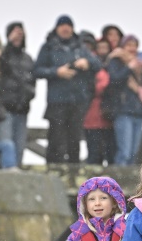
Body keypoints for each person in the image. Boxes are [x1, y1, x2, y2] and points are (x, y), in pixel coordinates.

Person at [33, 15, 101, 163]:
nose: (65, 28)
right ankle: (53, 170)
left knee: (74, 139)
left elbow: (97, 65)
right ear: (56, 28)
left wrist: (87, 62)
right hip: (56, 101)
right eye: (62, 25)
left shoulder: (81, 47)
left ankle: (73, 172)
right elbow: (37, 70)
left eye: (68, 25)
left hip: (78, 101)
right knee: (56, 138)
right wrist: (57, 72)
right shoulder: (48, 47)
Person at [104, 34, 142, 166]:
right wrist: (129, 67)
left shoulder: (141, 65)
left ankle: (128, 184)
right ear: (122, 46)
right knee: (124, 152)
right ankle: (118, 183)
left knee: (133, 153)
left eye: (135, 45)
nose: (132, 48)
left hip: (139, 112)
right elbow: (114, 80)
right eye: (129, 45)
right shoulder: (116, 61)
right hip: (122, 111)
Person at [0, 22, 36, 167]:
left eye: (20, 32)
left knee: (19, 145)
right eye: (14, 32)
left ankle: (18, 173)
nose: (18, 35)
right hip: (5, 109)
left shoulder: (28, 58)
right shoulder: (2, 54)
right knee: (6, 144)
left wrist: (29, 95)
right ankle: (6, 173)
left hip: (23, 109)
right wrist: (8, 44)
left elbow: (32, 82)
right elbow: (0, 70)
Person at [82, 38, 115, 165]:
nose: (102, 51)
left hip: (108, 114)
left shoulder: (112, 66)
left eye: (105, 48)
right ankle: (93, 181)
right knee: (94, 151)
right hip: (92, 113)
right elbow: (98, 86)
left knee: (109, 151)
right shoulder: (92, 68)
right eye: (100, 48)